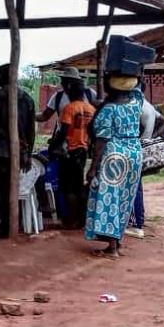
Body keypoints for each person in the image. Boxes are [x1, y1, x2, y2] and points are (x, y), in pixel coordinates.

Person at [84, 74, 144, 258]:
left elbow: (101, 141)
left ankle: (112, 249)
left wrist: (93, 168)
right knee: (125, 199)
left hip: (114, 156)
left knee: (109, 200)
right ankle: (117, 243)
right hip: (134, 153)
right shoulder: (136, 101)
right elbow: (138, 86)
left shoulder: (108, 110)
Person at [0, 64, 36, 239]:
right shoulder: (26, 98)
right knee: (14, 190)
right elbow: (31, 130)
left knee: (4, 191)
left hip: (3, 152)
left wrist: (11, 139)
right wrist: (27, 151)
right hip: (21, 151)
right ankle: (13, 226)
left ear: (2, 77)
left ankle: (6, 230)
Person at [125, 84, 164, 239]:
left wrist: (141, 139)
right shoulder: (147, 105)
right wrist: (151, 137)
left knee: (133, 187)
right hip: (142, 148)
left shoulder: (136, 107)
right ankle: (139, 219)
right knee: (137, 186)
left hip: (135, 149)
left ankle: (136, 225)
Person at [57, 80, 96, 228]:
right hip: (85, 152)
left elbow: (64, 130)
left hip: (70, 151)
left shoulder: (69, 108)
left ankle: (71, 220)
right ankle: (81, 219)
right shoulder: (91, 109)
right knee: (80, 186)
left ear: (70, 92)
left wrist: (54, 146)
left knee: (68, 188)